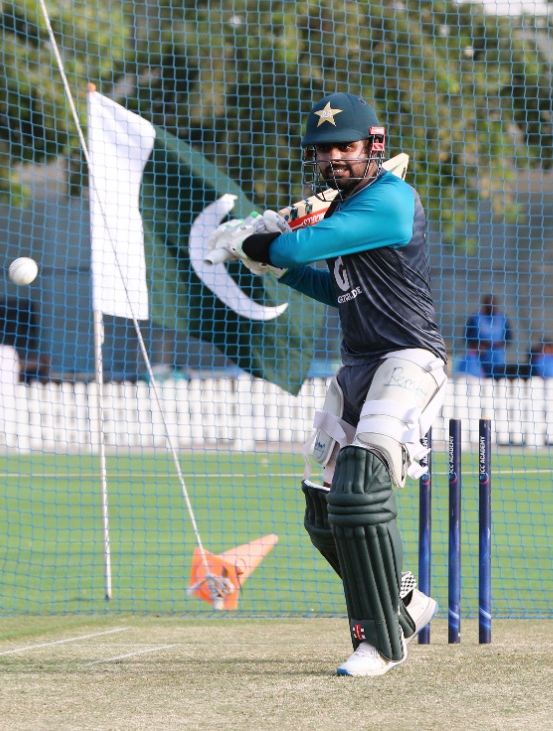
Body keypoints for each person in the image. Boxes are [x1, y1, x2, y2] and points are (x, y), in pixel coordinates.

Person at [206, 92, 443, 676]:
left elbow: (297, 243)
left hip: (408, 361)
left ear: (374, 147)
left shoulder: (391, 200)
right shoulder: (343, 210)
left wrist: (259, 245)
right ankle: (404, 602)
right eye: (324, 149)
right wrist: (275, 263)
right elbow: (331, 286)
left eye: (346, 145)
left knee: (361, 491)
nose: (335, 156)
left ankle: (380, 643)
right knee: (324, 513)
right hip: (358, 367)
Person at [463, 294, 514, 378]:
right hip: (480, 357)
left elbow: (508, 338)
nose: (491, 306)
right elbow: (467, 337)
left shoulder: (502, 318)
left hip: (497, 357)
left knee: (498, 381)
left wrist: (499, 344)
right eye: (489, 304)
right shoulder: (476, 318)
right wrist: (478, 346)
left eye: (493, 304)